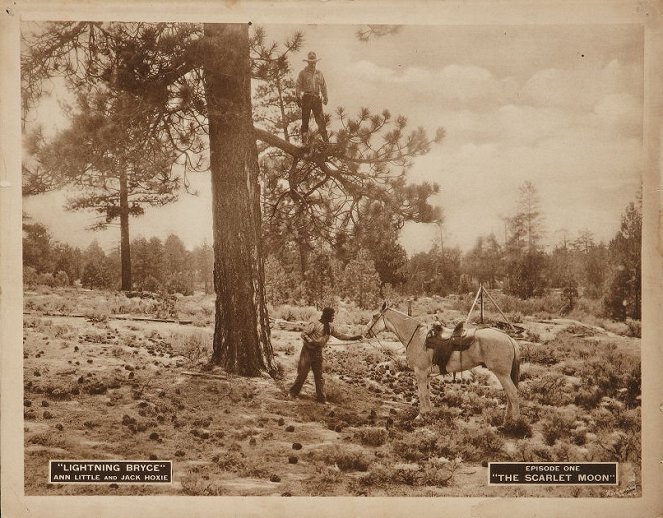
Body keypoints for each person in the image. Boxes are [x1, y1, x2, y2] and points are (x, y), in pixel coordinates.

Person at [288, 307, 362, 404]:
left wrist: (354, 338)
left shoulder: (330, 328)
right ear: (327, 315)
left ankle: (321, 399)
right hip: (307, 351)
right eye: (332, 315)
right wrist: (311, 342)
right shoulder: (315, 324)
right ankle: (292, 393)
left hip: (318, 352)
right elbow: (303, 334)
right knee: (302, 374)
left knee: (319, 376)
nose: (333, 317)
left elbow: (340, 335)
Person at [295, 51, 329, 144]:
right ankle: (304, 143)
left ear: (316, 62)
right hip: (307, 97)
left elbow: (323, 85)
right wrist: (298, 97)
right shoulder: (303, 73)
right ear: (308, 62)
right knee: (305, 120)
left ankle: (326, 142)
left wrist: (325, 97)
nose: (313, 63)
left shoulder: (319, 73)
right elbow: (298, 85)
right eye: (311, 62)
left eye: (314, 62)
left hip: (317, 99)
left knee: (321, 121)